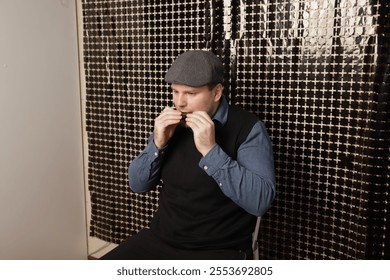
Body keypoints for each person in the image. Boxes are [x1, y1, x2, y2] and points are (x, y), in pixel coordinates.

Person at [101, 50, 275, 260]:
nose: (180, 102)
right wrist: (158, 143)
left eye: (190, 93)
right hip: (159, 240)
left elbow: (260, 202)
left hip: (218, 250)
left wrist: (210, 151)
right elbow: (137, 185)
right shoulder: (171, 125)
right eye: (175, 92)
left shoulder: (248, 128)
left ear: (217, 92)